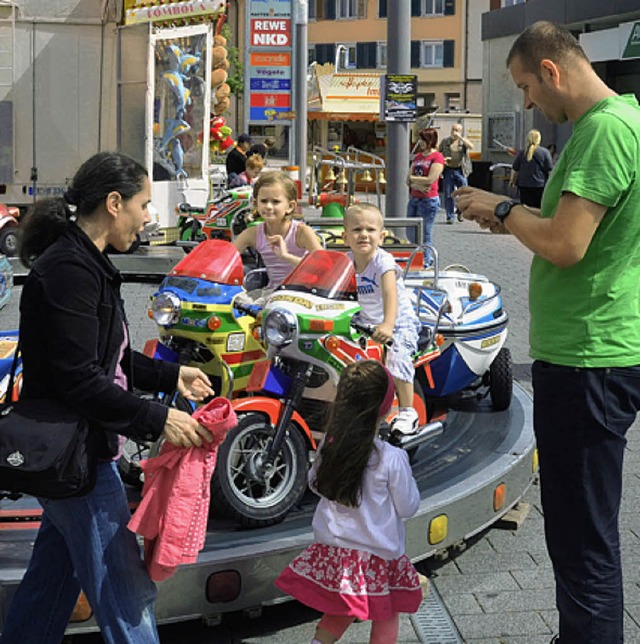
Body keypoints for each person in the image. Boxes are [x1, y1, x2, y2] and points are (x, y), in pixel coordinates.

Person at [454, 21, 640, 644]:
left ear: (552, 71)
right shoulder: (625, 121)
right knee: (581, 526)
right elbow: (579, 235)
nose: (529, 101)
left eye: (527, 86)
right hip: (599, 348)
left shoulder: (603, 131)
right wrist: (509, 219)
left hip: (589, 357)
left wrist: (504, 208)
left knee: (580, 533)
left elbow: (565, 244)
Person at [0, 152, 216, 644]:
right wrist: (156, 418)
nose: (148, 216)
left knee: (48, 589)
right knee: (126, 595)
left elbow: (107, 358)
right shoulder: (70, 272)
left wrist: (171, 373)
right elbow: (80, 379)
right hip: (81, 459)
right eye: (143, 204)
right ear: (114, 203)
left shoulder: (85, 263)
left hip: (73, 456)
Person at [275, 360, 423, 644]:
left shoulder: (330, 447)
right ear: (386, 405)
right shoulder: (391, 458)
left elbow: (316, 484)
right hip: (378, 555)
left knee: (342, 610)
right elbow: (408, 507)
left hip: (337, 552)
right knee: (387, 612)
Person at [342, 204, 421, 436]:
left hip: (398, 321)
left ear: (382, 235)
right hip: (364, 322)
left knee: (397, 356)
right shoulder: (346, 262)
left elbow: (390, 294)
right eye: (357, 230)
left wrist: (388, 324)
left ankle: (408, 411)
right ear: (345, 236)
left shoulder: (383, 262)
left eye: (370, 229)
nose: (364, 234)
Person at [233, 171, 322, 291]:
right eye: (264, 201)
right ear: (256, 204)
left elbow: (322, 267)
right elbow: (227, 258)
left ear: (290, 206)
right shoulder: (252, 233)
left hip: (304, 295)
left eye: (275, 202)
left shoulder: (301, 232)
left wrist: (286, 256)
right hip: (273, 294)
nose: (269, 206)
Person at [406, 127, 445, 260]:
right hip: (415, 197)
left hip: (429, 200)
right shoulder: (418, 157)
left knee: (425, 233)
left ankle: (427, 260)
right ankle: (417, 256)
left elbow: (430, 179)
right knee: (410, 232)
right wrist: (416, 183)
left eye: (423, 140)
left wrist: (413, 179)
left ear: (430, 140)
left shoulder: (437, 157)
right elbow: (407, 179)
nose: (420, 142)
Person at [438, 123, 474, 223]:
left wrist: (461, 138)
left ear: (461, 131)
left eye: (457, 130)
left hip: (460, 169)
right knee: (449, 194)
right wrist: (442, 160)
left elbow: (471, 146)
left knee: (464, 192)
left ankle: (460, 212)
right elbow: (438, 152)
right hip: (448, 169)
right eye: (453, 129)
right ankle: (449, 216)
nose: (455, 132)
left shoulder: (463, 142)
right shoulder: (446, 141)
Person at [510, 129, 554, 208]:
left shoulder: (522, 152)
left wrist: (512, 181)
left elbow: (515, 169)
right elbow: (550, 170)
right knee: (538, 208)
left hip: (524, 184)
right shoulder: (545, 152)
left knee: (526, 208)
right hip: (539, 185)